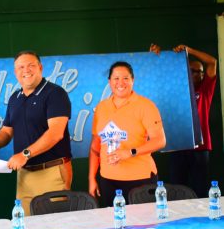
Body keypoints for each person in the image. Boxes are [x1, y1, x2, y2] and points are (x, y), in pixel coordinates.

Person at [0, 50, 73, 216]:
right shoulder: (15, 98)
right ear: (15, 72)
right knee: (25, 228)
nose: (26, 70)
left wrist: (25, 154)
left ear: (40, 67)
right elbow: (6, 132)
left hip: (52, 172)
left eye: (31, 65)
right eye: (21, 67)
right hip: (24, 176)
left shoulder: (55, 93)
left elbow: (56, 133)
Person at [88, 61, 166, 206]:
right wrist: (92, 178)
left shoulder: (146, 106)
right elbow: (95, 145)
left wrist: (130, 152)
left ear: (133, 80)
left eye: (126, 78)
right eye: (116, 78)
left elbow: (160, 140)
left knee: (143, 224)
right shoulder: (101, 107)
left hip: (140, 178)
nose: (120, 83)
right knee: (114, 224)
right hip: (108, 180)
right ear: (109, 82)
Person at [150, 44, 217, 197]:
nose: (196, 74)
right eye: (191, 71)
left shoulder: (205, 90)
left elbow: (212, 62)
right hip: (178, 146)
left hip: (200, 148)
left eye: (199, 72)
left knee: (200, 189)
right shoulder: (176, 88)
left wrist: (190, 51)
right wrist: (154, 57)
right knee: (177, 190)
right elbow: (157, 77)